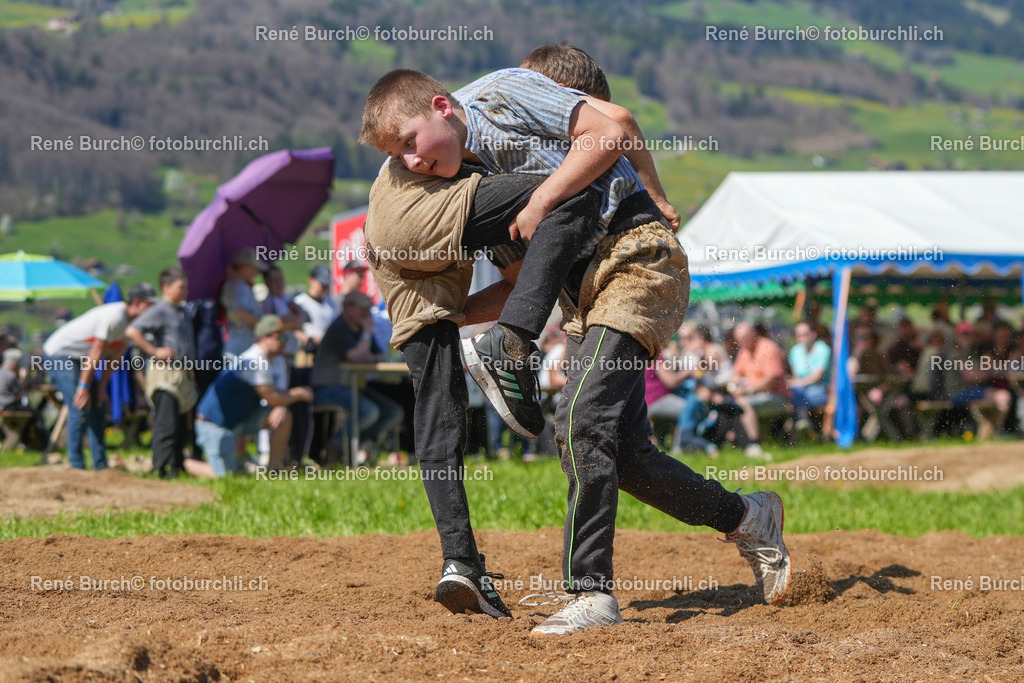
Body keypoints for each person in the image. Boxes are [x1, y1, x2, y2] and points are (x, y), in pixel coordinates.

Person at [361, 54, 790, 633]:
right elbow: (517, 284)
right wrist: (450, 314)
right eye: (399, 156)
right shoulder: (476, 175)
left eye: (411, 143)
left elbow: (614, 128)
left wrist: (562, 200)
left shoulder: (498, 97)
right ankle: (748, 516)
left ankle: (591, 593)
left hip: (636, 260)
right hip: (584, 300)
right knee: (629, 460)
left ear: (441, 107)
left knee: (578, 420)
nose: (411, 161)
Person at [42, 283, 157, 470]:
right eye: (149, 304)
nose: (152, 309)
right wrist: (83, 388)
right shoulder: (114, 316)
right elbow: (95, 353)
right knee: (79, 407)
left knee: (98, 406)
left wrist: (102, 388)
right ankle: (77, 465)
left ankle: (100, 465)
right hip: (60, 354)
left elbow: (114, 360)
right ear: (137, 303)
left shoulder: (134, 326)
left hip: (82, 359)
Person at [186, 315, 312, 478]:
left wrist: (281, 405)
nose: (284, 341)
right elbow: (273, 397)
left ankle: (273, 470)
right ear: (264, 338)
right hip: (215, 424)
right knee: (223, 476)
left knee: (283, 415)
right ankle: (185, 462)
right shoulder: (254, 360)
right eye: (279, 336)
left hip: (239, 420)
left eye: (286, 336)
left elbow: (278, 396)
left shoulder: (276, 360)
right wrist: (299, 393)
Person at [310, 291, 404, 464]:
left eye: (368, 311)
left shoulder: (360, 328)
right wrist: (367, 334)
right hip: (328, 388)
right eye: (363, 310)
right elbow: (358, 357)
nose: (367, 315)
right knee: (369, 412)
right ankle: (336, 447)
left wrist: (365, 342)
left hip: (353, 386)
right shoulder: (339, 328)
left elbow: (376, 355)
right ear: (349, 308)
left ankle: (348, 446)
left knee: (393, 413)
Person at [125, 268, 197, 478]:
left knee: (180, 425)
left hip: (182, 373)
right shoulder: (160, 310)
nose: (185, 291)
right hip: (165, 373)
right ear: (166, 288)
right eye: (180, 287)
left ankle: (176, 465)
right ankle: (161, 467)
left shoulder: (182, 311)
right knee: (167, 423)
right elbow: (132, 331)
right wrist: (154, 351)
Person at [728, 322, 789, 457]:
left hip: (777, 397)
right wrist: (735, 382)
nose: (742, 344)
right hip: (755, 395)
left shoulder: (769, 348)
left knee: (743, 403)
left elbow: (772, 380)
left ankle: (753, 443)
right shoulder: (745, 351)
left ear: (753, 335)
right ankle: (739, 442)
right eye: (739, 341)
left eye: (744, 340)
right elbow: (736, 373)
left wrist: (748, 389)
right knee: (731, 403)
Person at [220, 247, 266, 358]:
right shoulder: (237, 286)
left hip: (237, 348)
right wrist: (264, 326)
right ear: (245, 268)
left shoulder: (235, 285)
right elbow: (240, 313)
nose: (256, 272)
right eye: (255, 268)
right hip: (240, 350)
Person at [787, 321, 831, 430]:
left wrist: (796, 383)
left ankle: (801, 424)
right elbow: (796, 375)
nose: (800, 338)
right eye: (798, 335)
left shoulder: (823, 349)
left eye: (803, 334)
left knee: (796, 395)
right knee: (789, 395)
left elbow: (817, 378)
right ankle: (802, 425)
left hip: (821, 389)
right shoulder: (795, 351)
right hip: (801, 389)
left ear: (813, 334)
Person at [293, 265, 340, 360]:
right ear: (311, 280)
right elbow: (293, 328)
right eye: (322, 284)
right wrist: (307, 338)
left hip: (328, 350)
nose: (325, 288)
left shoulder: (331, 303)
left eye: (327, 285)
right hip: (308, 351)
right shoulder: (300, 301)